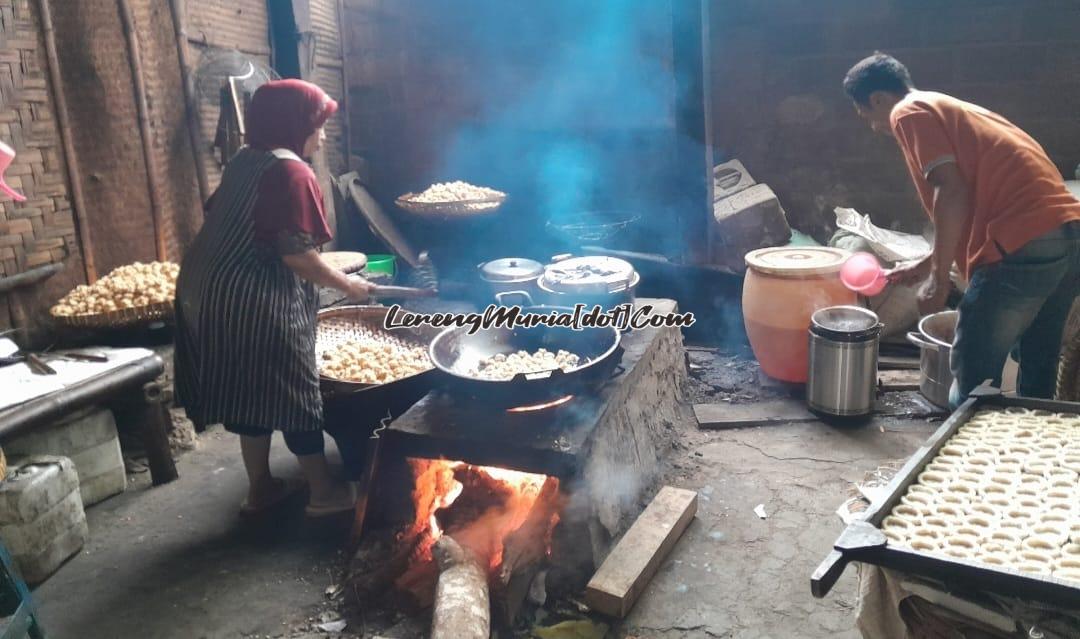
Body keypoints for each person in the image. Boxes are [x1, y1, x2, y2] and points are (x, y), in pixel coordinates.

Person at [174, 79, 373, 516]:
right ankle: (323, 494)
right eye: (317, 124)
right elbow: (298, 256)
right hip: (251, 293)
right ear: (294, 122)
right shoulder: (292, 171)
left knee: (250, 387)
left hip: (203, 290)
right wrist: (350, 285)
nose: (321, 135)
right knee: (292, 387)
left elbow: (228, 216)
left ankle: (260, 488)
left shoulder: (248, 159)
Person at [843, 53, 1080, 408]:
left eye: (865, 114)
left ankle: (969, 458)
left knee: (973, 378)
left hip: (1022, 242)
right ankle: (1030, 457)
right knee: (1037, 359)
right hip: (1064, 235)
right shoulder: (952, 109)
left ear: (878, 99)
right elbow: (972, 203)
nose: (872, 125)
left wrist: (939, 280)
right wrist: (925, 265)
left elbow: (950, 191)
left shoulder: (909, 112)